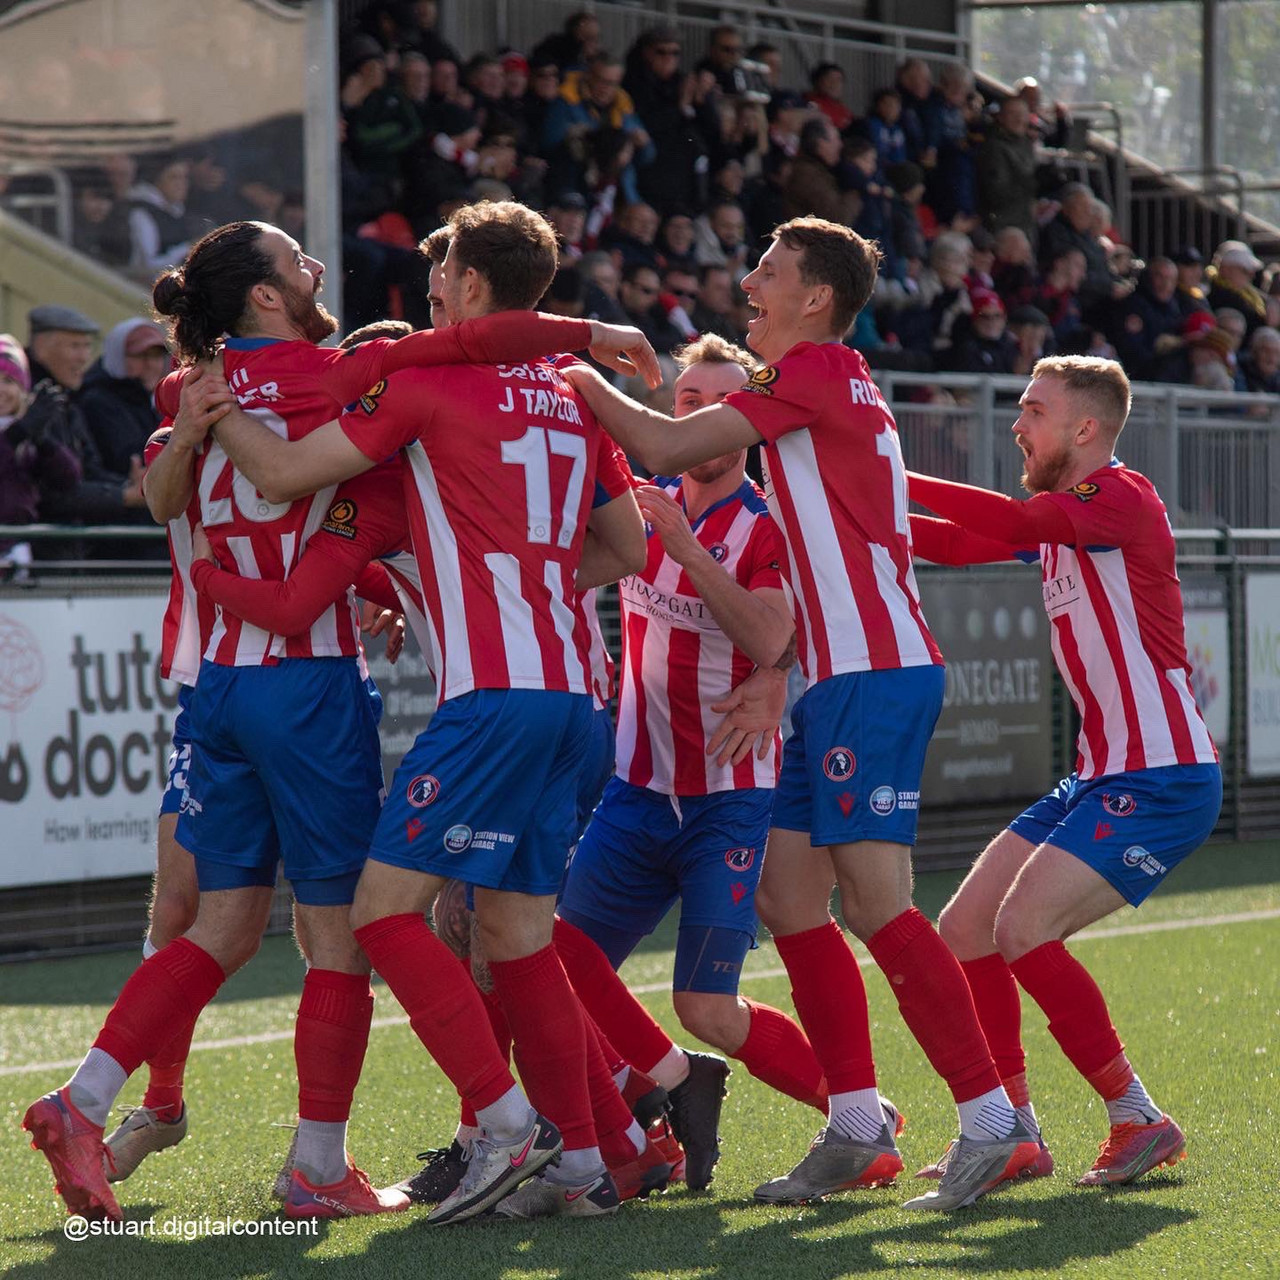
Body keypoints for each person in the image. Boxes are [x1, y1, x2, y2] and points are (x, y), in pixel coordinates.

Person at [21, 216, 654, 1224]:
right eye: (297, 260)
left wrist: (202, 425)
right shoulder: (350, 373)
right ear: (267, 295)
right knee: (361, 931)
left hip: (218, 687)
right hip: (324, 684)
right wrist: (585, 341)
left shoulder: (195, 388)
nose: (322, 267)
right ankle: (380, 1149)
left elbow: (160, 495)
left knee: (211, 923)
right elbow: (465, 393)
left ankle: (86, 1094)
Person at [558, 215, 1041, 1212]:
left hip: (872, 670)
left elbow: (653, 437)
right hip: (833, 676)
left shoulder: (815, 369)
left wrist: (565, 360)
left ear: (813, 298)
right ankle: (857, 1124)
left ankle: (996, 1125)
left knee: (876, 905)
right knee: (789, 901)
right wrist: (779, 667)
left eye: (769, 271)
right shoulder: (826, 383)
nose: (748, 281)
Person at [906, 355, 1221, 1188]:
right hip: (1100, 776)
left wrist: (884, 468)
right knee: (965, 929)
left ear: (1086, 429)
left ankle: (1137, 1116)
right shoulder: (1060, 522)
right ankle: (1011, 1131)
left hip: (1162, 776)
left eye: (1033, 411)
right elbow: (955, 540)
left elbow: (1006, 526)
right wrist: (846, 514)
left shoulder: (1121, 494)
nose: (1018, 424)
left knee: (1020, 931)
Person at [555, 335, 842, 1192]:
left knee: (708, 1009)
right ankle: (643, 1113)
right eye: (682, 402)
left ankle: (857, 1117)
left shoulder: (763, 523)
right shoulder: (635, 500)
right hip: (636, 792)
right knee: (556, 964)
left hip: (728, 799)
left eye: (715, 404)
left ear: (746, 423)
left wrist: (686, 551)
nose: (695, 415)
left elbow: (770, 637)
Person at [79, 319, 170, 479]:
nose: (150, 364)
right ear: (117, 356)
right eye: (140, 355)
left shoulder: (150, 401)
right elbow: (126, 460)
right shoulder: (97, 401)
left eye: (156, 356)